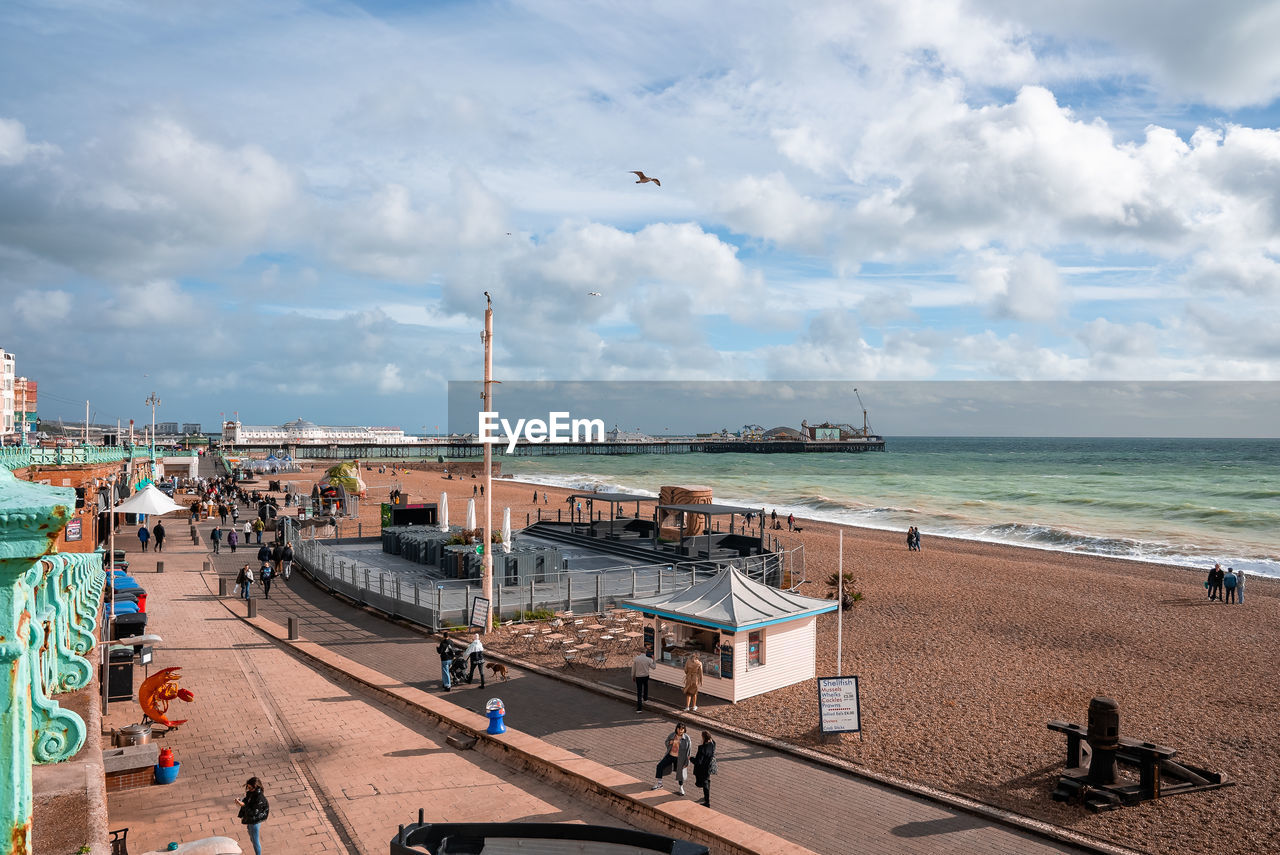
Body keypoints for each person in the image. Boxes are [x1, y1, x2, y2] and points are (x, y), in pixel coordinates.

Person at [650, 722, 691, 795]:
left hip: (680, 758)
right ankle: (660, 784)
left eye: (682, 729)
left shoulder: (687, 738)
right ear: (677, 729)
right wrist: (670, 742)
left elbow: (688, 751)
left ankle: (681, 787)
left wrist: (687, 762)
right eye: (679, 729)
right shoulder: (672, 735)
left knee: (680, 773)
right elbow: (666, 742)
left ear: (684, 730)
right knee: (659, 766)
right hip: (670, 755)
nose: (680, 731)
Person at [235, 776, 269, 855]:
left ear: (256, 787)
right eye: (248, 787)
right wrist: (241, 802)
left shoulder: (259, 798)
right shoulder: (251, 793)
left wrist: (243, 805)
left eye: (250, 788)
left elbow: (253, 812)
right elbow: (247, 800)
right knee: (252, 837)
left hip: (255, 821)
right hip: (250, 819)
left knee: (255, 841)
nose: (249, 789)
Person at [692, 730, 717, 807]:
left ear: (703, 738)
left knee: (703, 784)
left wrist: (690, 758)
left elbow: (698, 761)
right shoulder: (713, 743)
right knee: (707, 781)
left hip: (702, 770)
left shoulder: (702, 749)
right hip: (709, 767)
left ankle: (707, 802)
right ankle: (706, 797)